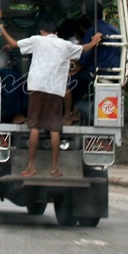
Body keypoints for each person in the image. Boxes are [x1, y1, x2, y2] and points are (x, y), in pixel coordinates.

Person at [17, 20, 102, 177]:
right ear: (55, 32)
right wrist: (94, 41)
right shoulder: (64, 44)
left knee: (34, 127)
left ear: (42, 31)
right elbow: (84, 49)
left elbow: (16, 45)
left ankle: (31, 167)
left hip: (37, 87)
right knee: (54, 129)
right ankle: (54, 168)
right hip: (56, 90)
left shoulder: (38, 40)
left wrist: (1, 30)